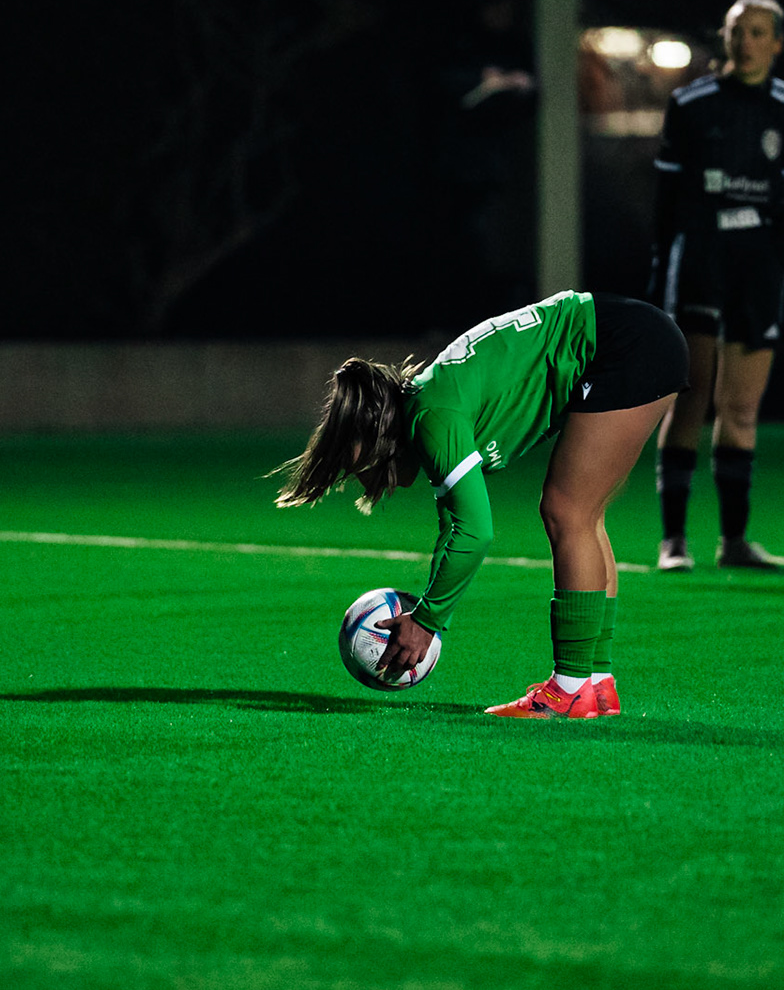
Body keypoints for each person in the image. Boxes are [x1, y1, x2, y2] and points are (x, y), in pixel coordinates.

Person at [273, 290, 688, 717]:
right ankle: (595, 683)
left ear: (377, 434)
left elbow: (475, 532)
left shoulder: (431, 416)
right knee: (584, 515)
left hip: (623, 344)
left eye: (357, 465)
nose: (364, 480)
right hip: (634, 337)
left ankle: (568, 690)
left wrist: (426, 621)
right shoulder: (430, 401)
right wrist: (427, 612)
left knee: (567, 511)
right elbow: (453, 526)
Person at [646, 0, 784, 573]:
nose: (746, 42)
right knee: (690, 399)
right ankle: (673, 541)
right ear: (725, 36)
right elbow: (667, 200)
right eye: (738, 30)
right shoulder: (691, 103)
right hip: (702, 259)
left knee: (741, 407)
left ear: (778, 43)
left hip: (758, 268)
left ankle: (734, 541)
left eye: (758, 32)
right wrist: (660, 269)